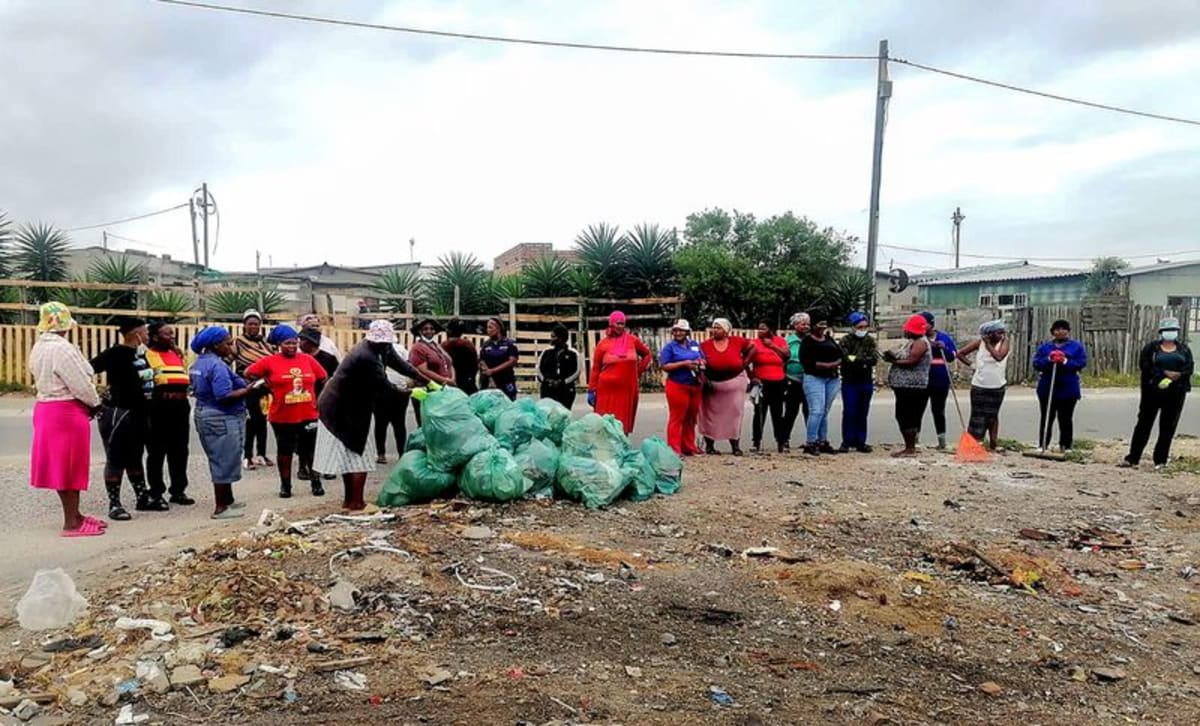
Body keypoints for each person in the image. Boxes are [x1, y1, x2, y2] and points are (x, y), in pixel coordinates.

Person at [315, 320, 426, 511]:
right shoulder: (366, 355)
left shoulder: (382, 348)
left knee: (352, 453)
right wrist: (411, 392)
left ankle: (350, 502)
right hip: (341, 408)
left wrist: (425, 380)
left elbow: (402, 365)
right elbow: (385, 388)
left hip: (347, 405)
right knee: (360, 455)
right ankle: (357, 503)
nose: (385, 344)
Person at [29, 302, 107, 537]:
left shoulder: (39, 347)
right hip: (66, 410)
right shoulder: (62, 349)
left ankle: (75, 515)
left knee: (62, 466)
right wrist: (96, 403)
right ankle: (71, 523)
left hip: (46, 408)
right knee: (70, 467)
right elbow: (79, 382)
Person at [245, 324, 329, 498]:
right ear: (278, 344)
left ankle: (316, 482)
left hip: (308, 413)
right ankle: (286, 486)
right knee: (285, 451)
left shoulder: (307, 359)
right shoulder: (270, 361)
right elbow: (248, 372)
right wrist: (266, 382)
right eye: (287, 343)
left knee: (310, 450)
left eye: (294, 343)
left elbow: (322, 377)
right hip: (282, 416)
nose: (291, 346)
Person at [90, 316, 154, 521]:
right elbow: (87, 369)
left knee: (135, 455)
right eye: (144, 332)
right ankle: (114, 503)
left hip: (139, 412)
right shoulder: (114, 353)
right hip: (118, 412)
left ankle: (142, 497)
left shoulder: (141, 354)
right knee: (116, 457)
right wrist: (97, 396)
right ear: (136, 334)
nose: (147, 335)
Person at [190, 326, 258, 519]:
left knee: (222, 457)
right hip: (221, 416)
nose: (231, 347)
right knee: (223, 460)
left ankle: (228, 500)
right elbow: (224, 395)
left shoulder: (199, 364)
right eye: (228, 343)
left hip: (206, 413)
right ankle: (221, 507)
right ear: (215, 345)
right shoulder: (217, 366)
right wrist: (249, 390)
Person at [1122, 317, 1193, 470]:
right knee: (1144, 424)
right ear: (1161, 332)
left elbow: (1189, 368)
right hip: (1152, 392)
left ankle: (1160, 460)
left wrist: (1178, 375)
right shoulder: (1151, 348)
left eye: (1173, 330)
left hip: (1176, 393)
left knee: (1167, 427)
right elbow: (1145, 365)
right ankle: (1133, 457)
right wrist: (1163, 374)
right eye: (1167, 330)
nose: (1171, 333)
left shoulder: (1184, 349)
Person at [144, 321, 192, 508]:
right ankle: (156, 492)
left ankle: (178, 490)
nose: (171, 337)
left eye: (172, 334)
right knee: (157, 452)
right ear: (155, 337)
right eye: (167, 334)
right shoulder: (147, 355)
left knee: (180, 451)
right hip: (158, 407)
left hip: (180, 407)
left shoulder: (177, 354)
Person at [587, 311, 652, 435]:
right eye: (618, 323)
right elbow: (596, 368)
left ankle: (622, 449)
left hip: (627, 390)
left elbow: (647, 354)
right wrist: (591, 390)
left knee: (623, 424)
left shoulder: (633, 340)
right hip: (606, 390)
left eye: (623, 324)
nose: (621, 326)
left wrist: (637, 371)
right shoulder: (603, 344)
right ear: (611, 324)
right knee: (605, 425)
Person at [1033, 320, 1088, 452]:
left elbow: (1081, 363)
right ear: (1053, 332)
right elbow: (1036, 363)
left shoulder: (1076, 347)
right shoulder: (1045, 348)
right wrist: (1049, 359)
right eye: (1057, 329)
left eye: (1063, 329)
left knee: (1065, 418)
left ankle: (1066, 445)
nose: (1060, 331)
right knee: (1047, 417)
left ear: (1068, 331)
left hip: (1068, 388)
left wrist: (1064, 361)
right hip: (1047, 388)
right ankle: (1043, 444)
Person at [699, 318, 752, 455]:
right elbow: (700, 360)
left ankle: (735, 445)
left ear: (726, 330)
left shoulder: (737, 341)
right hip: (712, 383)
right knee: (709, 414)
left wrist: (745, 362)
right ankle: (710, 446)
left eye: (718, 328)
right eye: (714, 327)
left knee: (734, 413)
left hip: (734, 382)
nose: (715, 330)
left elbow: (752, 348)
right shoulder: (705, 345)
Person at [883, 313, 933, 457]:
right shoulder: (912, 341)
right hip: (905, 386)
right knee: (904, 415)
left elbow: (912, 360)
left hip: (913, 387)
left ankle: (910, 448)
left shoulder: (920, 343)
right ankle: (909, 446)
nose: (905, 331)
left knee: (907, 416)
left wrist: (893, 361)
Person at [957, 320, 1011, 450]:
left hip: (997, 386)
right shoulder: (979, 343)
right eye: (998, 333)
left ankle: (993, 443)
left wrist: (988, 345)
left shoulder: (1004, 343)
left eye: (1002, 332)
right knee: (977, 415)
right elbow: (960, 354)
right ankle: (976, 442)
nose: (1001, 335)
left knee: (993, 415)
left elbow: (999, 357)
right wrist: (973, 366)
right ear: (989, 334)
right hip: (979, 385)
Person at [234, 310, 274, 470]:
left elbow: (271, 360)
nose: (253, 327)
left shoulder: (265, 343)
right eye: (250, 324)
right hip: (248, 387)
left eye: (256, 324)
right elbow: (229, 360)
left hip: (264, 387)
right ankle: (247, 456)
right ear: (244, 325)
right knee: (251, 421)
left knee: (263, 421)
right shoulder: (238, 342)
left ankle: (262, 454)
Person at [658, 319, 704, 456]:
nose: (678, 333)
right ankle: (674, 448)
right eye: (676, 330)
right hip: (678, 385)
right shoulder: (670, 347)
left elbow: (702, 357)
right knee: (677, 417)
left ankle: (688, 446)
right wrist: (684, 364)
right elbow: (665, 366)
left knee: (691, 417)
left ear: (687, 332)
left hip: (695, 384)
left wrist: (700, 363)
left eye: (681, 330)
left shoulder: (694, 345)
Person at [799, 314, 842, 456]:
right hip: (814, 377)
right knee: (816, 410)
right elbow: (806, 361)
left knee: (824, 411)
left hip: (831, 378)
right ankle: (811, 442)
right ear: (813, 326)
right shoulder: (807, 341)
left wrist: (835, 363)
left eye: (824, 324)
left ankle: (822, 441)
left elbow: (840, 354)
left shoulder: (829, 339)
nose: (822, 327)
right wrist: (826, 365)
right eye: (820, 324)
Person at [748, 320, 790, 453]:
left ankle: (781, 441)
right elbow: (746, 361)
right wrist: (752, 377)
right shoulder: (754, 343)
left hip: (778, 380)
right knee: (760, 412)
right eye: (759, 329)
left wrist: (772, 346)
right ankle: (756, 442)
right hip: (761, 381)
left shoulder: (780, 341)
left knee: (777, 413)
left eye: (763, 329)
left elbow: (786, 356)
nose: (760, 331)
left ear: (770, 330)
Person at [838, 312, 878, 453]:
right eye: (860, 327)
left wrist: (857, 359)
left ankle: (861, 441)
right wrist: (862, 360)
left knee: (863, 412)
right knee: (850, 411)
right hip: (850, 381)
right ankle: (847, 441)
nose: (863, 329)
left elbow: (873, 359)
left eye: (865, 327)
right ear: (853, 327)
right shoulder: (845, 340)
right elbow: (845, 358)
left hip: (865, 380)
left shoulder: (870, 340)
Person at [409, 318, 457, 425]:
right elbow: (423, 370)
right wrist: (445, 380)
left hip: (443, 390)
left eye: (431, 329)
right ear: (420, 331)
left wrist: (452, 379)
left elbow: (449, 363)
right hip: (428, 391)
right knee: (428, 424)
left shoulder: (436, 345)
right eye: (425, 329)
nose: (429, 331)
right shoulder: (417, 348)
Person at [374, 335, 413, 463]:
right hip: (400, 390)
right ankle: (401, 453)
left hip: (381, 391)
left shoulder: (375, 351)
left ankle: (381, 454)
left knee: (380, 423)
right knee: (399, 423)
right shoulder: (402, 349)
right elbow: (408, 366)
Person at [922, 312, 958, 450]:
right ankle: (915, 440)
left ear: (931, 324)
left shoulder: (944, 338)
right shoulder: (919, 338)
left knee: (938, 410)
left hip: (940, 379)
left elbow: (951, 356)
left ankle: (941, 441)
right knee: (918, 409)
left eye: (924, 324)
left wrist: (945, 348)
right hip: (922, 378)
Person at [780, 312, 811, 450]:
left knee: (809, 411)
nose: (805, 326)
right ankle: (784, 439)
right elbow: (782, 359)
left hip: (810, 379)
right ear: (795, 325)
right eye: (802, 324)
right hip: (792, 379)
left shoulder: (811, 340)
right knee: (790, 412)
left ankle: (811, 439)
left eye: (807, 324)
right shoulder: (788, 340)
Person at [538, 323, 581, 409]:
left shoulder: (573, 353)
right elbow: (539, 369)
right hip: (548, 389)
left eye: (554, 337)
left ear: (561, 338)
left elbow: (577, 371)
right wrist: (546, 381)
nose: (551, 339)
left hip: (566, 390)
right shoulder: (546, 352)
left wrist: (563, 382)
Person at [480, 317, 520, 400]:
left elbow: (513, 360)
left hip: (506, 380)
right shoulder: (486, 345)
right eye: (487, 327)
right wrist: (487, 372)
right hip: (490, 383)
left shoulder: (509, 344)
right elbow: (481, 360)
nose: (488, 330)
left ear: (498, 329)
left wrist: (494, 370)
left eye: (490, 327)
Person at [442, 318, 479, 394]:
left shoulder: (444, 346)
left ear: (449, 331)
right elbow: (475, 365)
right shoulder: (468, 344)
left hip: (449, 383)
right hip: (467, 382)